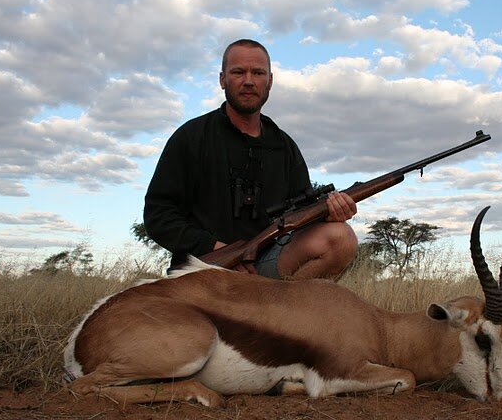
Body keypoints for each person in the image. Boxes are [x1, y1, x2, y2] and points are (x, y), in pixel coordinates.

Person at [144, 38, 358, 280]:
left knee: (341, 238)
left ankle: (281, 312)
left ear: (270, 81)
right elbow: (158, 216)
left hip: (263, 267)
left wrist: (329, 213)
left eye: (257, 73)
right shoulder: (191, 137)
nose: (248, 81)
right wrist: (220, 250)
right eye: (238, 72)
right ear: (222, 79)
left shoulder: (284, 145)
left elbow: (302, 214)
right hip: (203, 266)